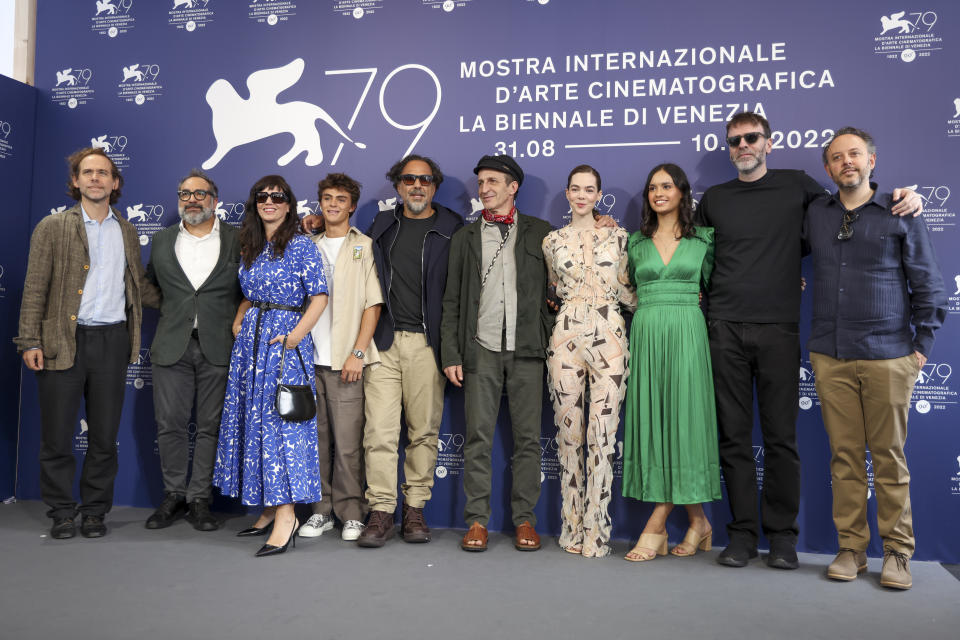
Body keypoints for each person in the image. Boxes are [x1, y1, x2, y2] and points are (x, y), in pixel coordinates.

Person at [697, 111, 922, 570]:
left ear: (768, 143)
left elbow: (852, 204)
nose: (743, 145)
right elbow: (696, 256)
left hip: (781, 327)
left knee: (781, 439)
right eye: (735, 140)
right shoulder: (715, 199)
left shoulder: (799, 186)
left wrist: (905, 195)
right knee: (734, 438)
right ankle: (741, 535)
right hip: (723, 328)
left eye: (751, 138)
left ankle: (782, 537)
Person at [806, 127, 946, 589]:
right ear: (827, 169)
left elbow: (929, 286)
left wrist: (920, 349)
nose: (846, 162)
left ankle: (897, 553)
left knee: (888, 458)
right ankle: (851, 549)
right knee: (844, 458)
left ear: (871, 161)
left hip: (890, 355)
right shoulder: (815, 214)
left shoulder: (901, 211)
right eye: (836, 157)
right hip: (830, 354)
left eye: (855, 154)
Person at [303, 155, 463, 547]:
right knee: (379, 432)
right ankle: (379, 511)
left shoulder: (452, 228)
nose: (416, 186)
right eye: (408, 179)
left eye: (424, 180)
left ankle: (415, 510)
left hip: (428, 344)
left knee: (423, 432)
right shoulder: (381, 225)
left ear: (434, 186)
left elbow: (460, 295)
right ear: (397, 186)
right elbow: (344, 243)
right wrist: (315, 222)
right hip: (384, 344)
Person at [15, 147, 159, 539]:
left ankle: (95, 511)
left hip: (112, 341)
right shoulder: (53, 227)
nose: (95, 178)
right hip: (62, 340)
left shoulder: (127, 230)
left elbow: (138, 286)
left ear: (115, 183)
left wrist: (190, 298)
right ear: (75, 181)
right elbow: (34, 287)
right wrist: (30, 340)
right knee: (58, 435)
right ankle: (62, 511)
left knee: (103, 436)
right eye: (87, 172)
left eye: (103, 173)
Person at [441, 154, 553, 552]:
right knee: (477, 439)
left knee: (527, 440)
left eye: (492, 181)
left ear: (512, 187)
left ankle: (525, 521)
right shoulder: (465, 237)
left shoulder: (543, 233)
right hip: (481, 349)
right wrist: (451, 353)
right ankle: (476, 522)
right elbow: (452, 300)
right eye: (481, 182)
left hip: (527, 350)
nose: (484, 188)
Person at [212, 175, 328, 557]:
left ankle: (287, 516)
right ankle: (267, 506)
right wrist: (243, 311)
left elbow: (319, 297)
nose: (269, 202)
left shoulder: (300, 245)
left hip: (283, 344)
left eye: (277, 197)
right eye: (262, 196)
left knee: (283, 427)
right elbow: (252, 290)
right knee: (256, 424)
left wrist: (296, 335)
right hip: (251, 346)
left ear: (289, 204)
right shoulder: (252, 245)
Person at [621, 163, 721, 562]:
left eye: (666, 185)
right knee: (657, 424)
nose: (658, 192)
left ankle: (656, 523)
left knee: (685, 424)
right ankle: (699, 522)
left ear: (682, 192)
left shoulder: (706, 240)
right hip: (646, 333)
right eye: (651, 187)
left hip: (688, 335)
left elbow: (726, 285)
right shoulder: (634, 242)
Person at [542, 165, 636, 558]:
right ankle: (571, 526)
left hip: (611, 335)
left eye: (590, 189)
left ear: (599, 195)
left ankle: (597, 531)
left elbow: (630, 291)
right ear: (567, 194)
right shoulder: (551, 241)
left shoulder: (619, 237)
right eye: (575, 189)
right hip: (565, 337)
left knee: (603, 435)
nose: (582, 195)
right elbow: (552, 288)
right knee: (569, 437)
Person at [143, 169, 242, 532]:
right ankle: (173, 494)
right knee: (169, 425)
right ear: (179, 199)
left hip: (220, 346)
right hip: (172, 345)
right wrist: (174, 309)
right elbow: (150, 284)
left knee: (210, 427)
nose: (192, 200)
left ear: (215, 200)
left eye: (200, 194)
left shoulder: (238, 238)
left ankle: (200, 497)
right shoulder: (163, 239)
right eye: (185, 194)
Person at [298, 173, 382, 542]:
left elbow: (373, 304)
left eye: (341, 199)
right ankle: (321, 511)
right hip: (306, 359)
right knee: (316, 441)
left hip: (346, 360)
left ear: (351, 205)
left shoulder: (364, 245)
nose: (333, 204)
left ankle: (351, 511)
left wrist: (357, 353)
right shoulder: (305, 245)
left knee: (348, 444)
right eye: (327, 198)